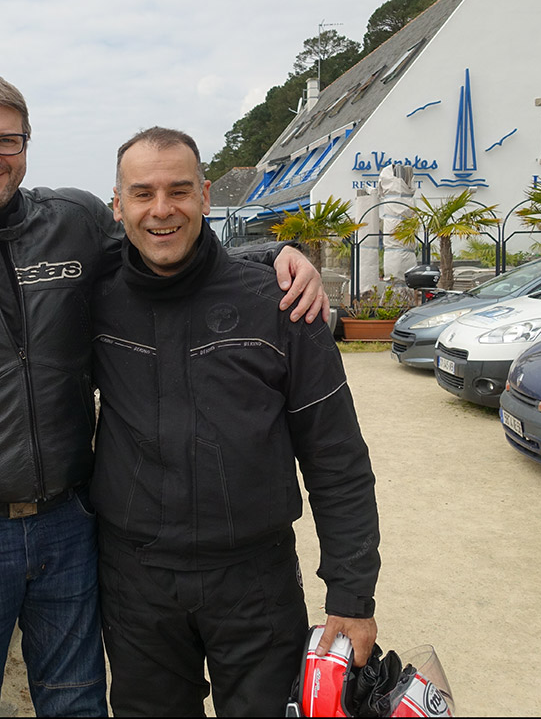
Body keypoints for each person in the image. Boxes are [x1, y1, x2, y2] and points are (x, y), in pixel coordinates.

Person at [0, 73, 328, 717]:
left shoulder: (76, 221)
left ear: (27, 145)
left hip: (69, 523)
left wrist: (274, 254)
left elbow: (164, 247)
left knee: (77, 701)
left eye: (7, 140)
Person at [91, 126, 381, 717]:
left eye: (179, 190)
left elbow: (337, 460)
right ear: (117, 206)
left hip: (255, 580)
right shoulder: (92, 301)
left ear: (204, 195)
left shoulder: (280, 304)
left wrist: (352, 596)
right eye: (142, 194)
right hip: (135, 580)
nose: (161, 209)